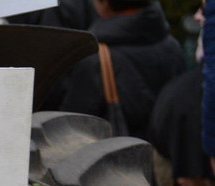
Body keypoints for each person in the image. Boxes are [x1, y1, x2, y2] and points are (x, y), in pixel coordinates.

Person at [58, 0, 184, 139]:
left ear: (104, 3)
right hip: (164, 149)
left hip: (117, 150)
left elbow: (69, 131)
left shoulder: (93, 61)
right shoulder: (173, 46)